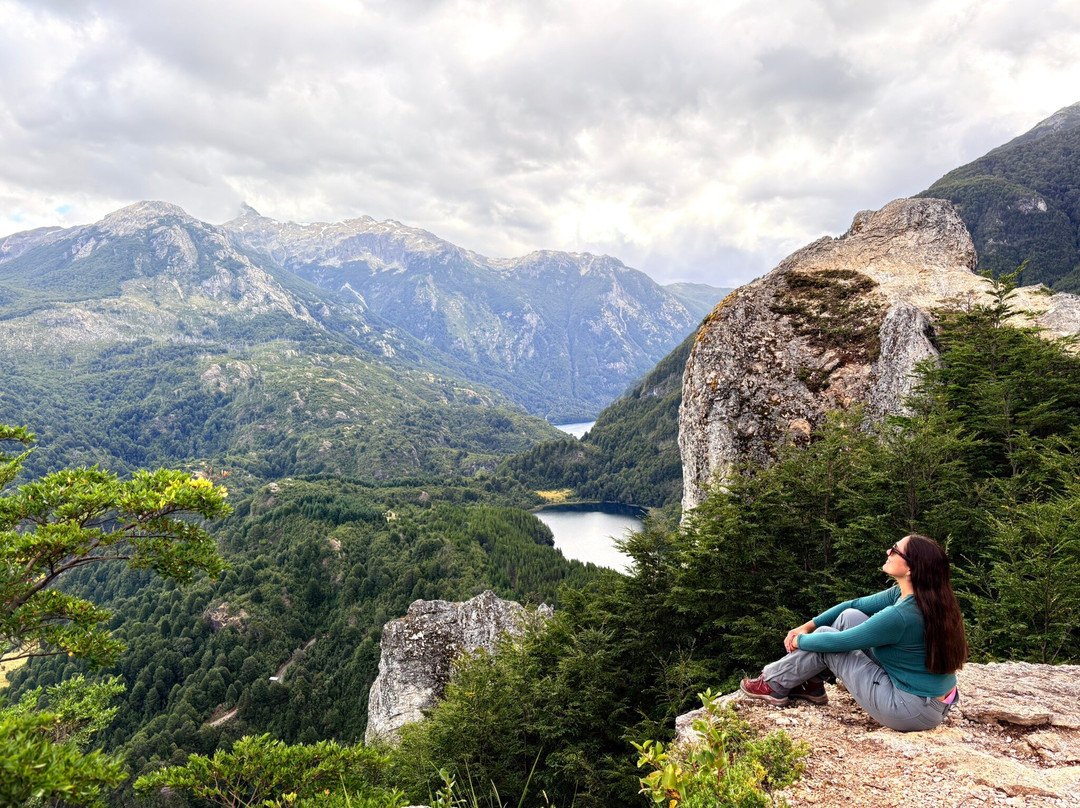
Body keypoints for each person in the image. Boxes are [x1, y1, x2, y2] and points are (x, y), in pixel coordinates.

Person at [740, 533, 968, 732]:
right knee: (849, 617)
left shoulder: (901, 615)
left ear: (910, 568)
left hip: (910, 709)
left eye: (896, 550)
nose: (888, 551)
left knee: (828, 645)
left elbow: (842, 642)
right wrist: (809, 625)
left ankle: (773, 684)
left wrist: (800, 639)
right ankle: (811, 683)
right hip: (930, 700)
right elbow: (855, 605)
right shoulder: (925, 596)